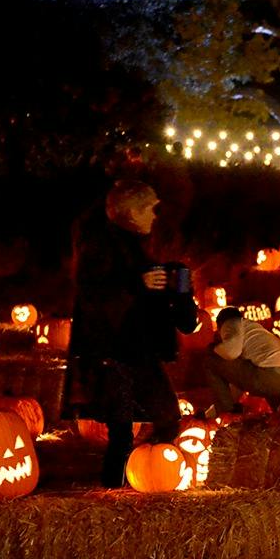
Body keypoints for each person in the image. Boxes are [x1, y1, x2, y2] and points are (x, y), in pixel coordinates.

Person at [69, 179, 196, 486]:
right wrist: (136, 283)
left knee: (150, 419)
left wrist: (174, 290)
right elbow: (93, 294)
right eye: (150, 210)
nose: (154, 216)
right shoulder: (100, 246)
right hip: (115, 352)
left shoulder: (135, 245)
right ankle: (120, 486)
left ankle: (133, 479)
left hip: (136, 349)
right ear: (131, 212)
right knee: (128, 427)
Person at [207, 308, 280, 414]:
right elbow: (239, 378)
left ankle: (226, 412)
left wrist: (214, 348)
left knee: (211, 359)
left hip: (271, 375)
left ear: (220, 324)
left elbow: (231, 352)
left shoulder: (231, 322)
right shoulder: (253, 330)